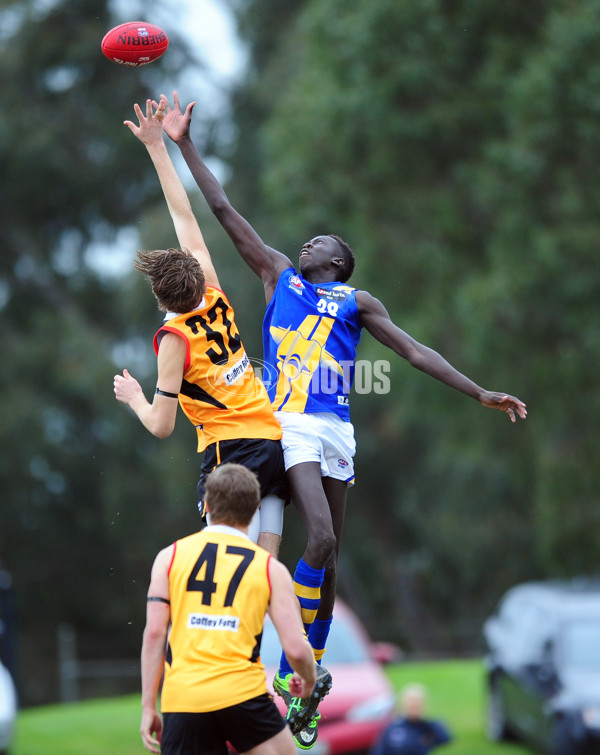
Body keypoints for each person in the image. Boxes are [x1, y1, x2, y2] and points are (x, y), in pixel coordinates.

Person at [157, 91, 527, 747]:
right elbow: (222, 209)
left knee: (329, 558)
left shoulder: (356, 300)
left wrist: (480, 393)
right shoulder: (278, 276)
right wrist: (184, 143)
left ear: (338, 259)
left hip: (337, 432)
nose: (306, 239)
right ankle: (288, 668)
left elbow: (413, 351)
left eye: (319, 239)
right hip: (289, 424)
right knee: (319, 538)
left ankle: (311, 670)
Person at [113, 99, 287, 556]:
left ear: (159, 296)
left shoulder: (174, 339)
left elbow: (162, 426)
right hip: (270, 440)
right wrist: (157, 146)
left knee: (224, 564)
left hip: (231, 452)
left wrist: (134, 399)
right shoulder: (210, 288)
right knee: (260, 570)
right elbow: (184, 215)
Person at [140, 462, 318, 755]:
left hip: (184, 700)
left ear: (206, 505)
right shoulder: (269, 568)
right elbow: (297, 651)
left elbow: (155, 634)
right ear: (253, 512)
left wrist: (148, 706)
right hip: (243, 695)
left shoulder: (169, 557)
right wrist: (308, 679)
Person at [370, 684, 451, 755]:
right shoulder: (394, 728)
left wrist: (426, 720)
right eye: (411, 701)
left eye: (417, 702)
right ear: (403, 703)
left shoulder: (426, 727)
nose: (414, 705)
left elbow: (445, 738)